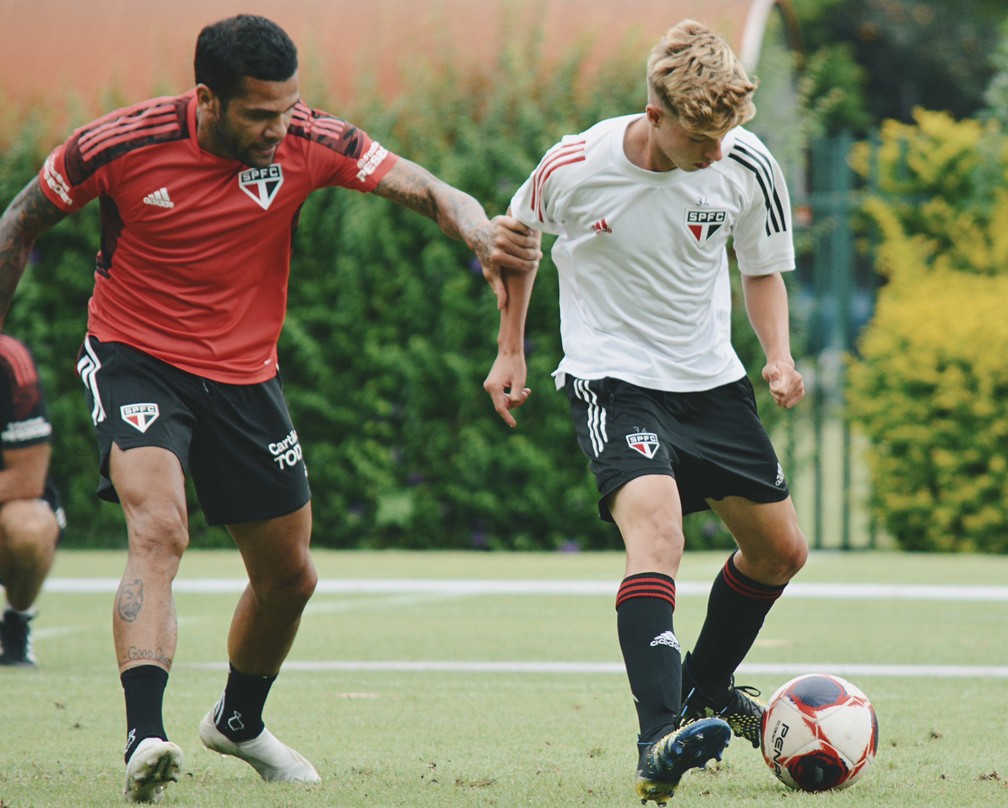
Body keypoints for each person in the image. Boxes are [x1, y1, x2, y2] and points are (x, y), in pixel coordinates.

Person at [0, 13, 539, 804]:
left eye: (288, 109)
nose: (278, 128)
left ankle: (238, 721)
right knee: (160, 527)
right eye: (260, 114)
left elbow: (430, 189)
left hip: (247, 378)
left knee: (289, 577)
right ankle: (144, 737)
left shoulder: (307, 139)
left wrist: (479, 233)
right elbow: (18, 225)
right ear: (206, 99)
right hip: (134, 359)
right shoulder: (115, 146)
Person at [484, 19, 809, 806]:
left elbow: (761, 269)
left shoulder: (745, 161)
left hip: (711, 382)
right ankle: (659, 737)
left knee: (780, 553)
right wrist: (511, 351)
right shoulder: (573, 164)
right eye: (700, 137)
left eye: (726, 135)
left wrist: (778, 355)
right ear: (656, 114)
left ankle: (704, 691)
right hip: (612, 379)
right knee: (657, 529)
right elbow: (516, 243)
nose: (714, 152)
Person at [0, 334, 66, 667]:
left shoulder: (9, 361)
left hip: (8, 504)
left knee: (31, 529)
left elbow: (27, 478)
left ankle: (16, 619)